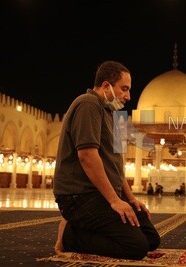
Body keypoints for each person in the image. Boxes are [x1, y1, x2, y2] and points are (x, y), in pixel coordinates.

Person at [52, 60, 160, 260]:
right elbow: (87, 156)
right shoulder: (88, 104)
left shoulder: (113, 115)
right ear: (105, 86)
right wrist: (114, 201)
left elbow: (116, 167)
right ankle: (69, 235)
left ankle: (84, 229)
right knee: (136, 247)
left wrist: (130, 198)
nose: (128, 96)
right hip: (79, 196)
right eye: (124, 89)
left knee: (151, 239)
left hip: (101, 195)